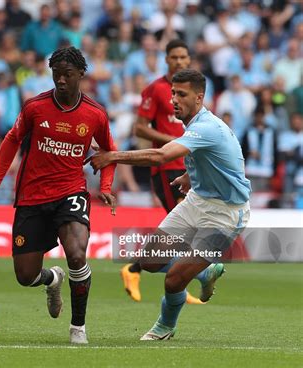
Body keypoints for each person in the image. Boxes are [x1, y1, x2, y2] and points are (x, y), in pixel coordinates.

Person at [86, 69, 251, 340]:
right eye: (173, 92)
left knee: (174, 279)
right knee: (149, 260)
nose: (174, 99)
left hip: (225, 213)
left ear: (199, 98)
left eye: (182, 94)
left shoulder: (206, 127)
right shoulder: (198, 124)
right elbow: (222, 157)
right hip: (198, 200)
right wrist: (191, 175)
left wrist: (113, 156)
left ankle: (165, 326)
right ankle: (207, 271)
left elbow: (161, 155)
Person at [0, 46, 117, 344]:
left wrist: (105, 187)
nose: (61, 80)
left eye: (67, 75)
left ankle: (78, 327)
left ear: (81, 75)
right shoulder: (35, 107)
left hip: (71, 192)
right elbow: (12, 139)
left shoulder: (95, 114)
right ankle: (52, 279)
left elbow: (109, 152)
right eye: (56, 75)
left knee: (77, 253)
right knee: (25, 276)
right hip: (32, 196)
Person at [122, 39, 206, 304]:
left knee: (183, 230)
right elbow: (139, 128)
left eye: (184, 57)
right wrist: (170, 139)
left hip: (189, 166)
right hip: (167, 166)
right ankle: (144, 272)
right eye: (174, 57)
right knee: (183, 228)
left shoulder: (195, 90)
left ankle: (136, 269)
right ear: (166, 59)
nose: (179, 61)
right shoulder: (155, 89)